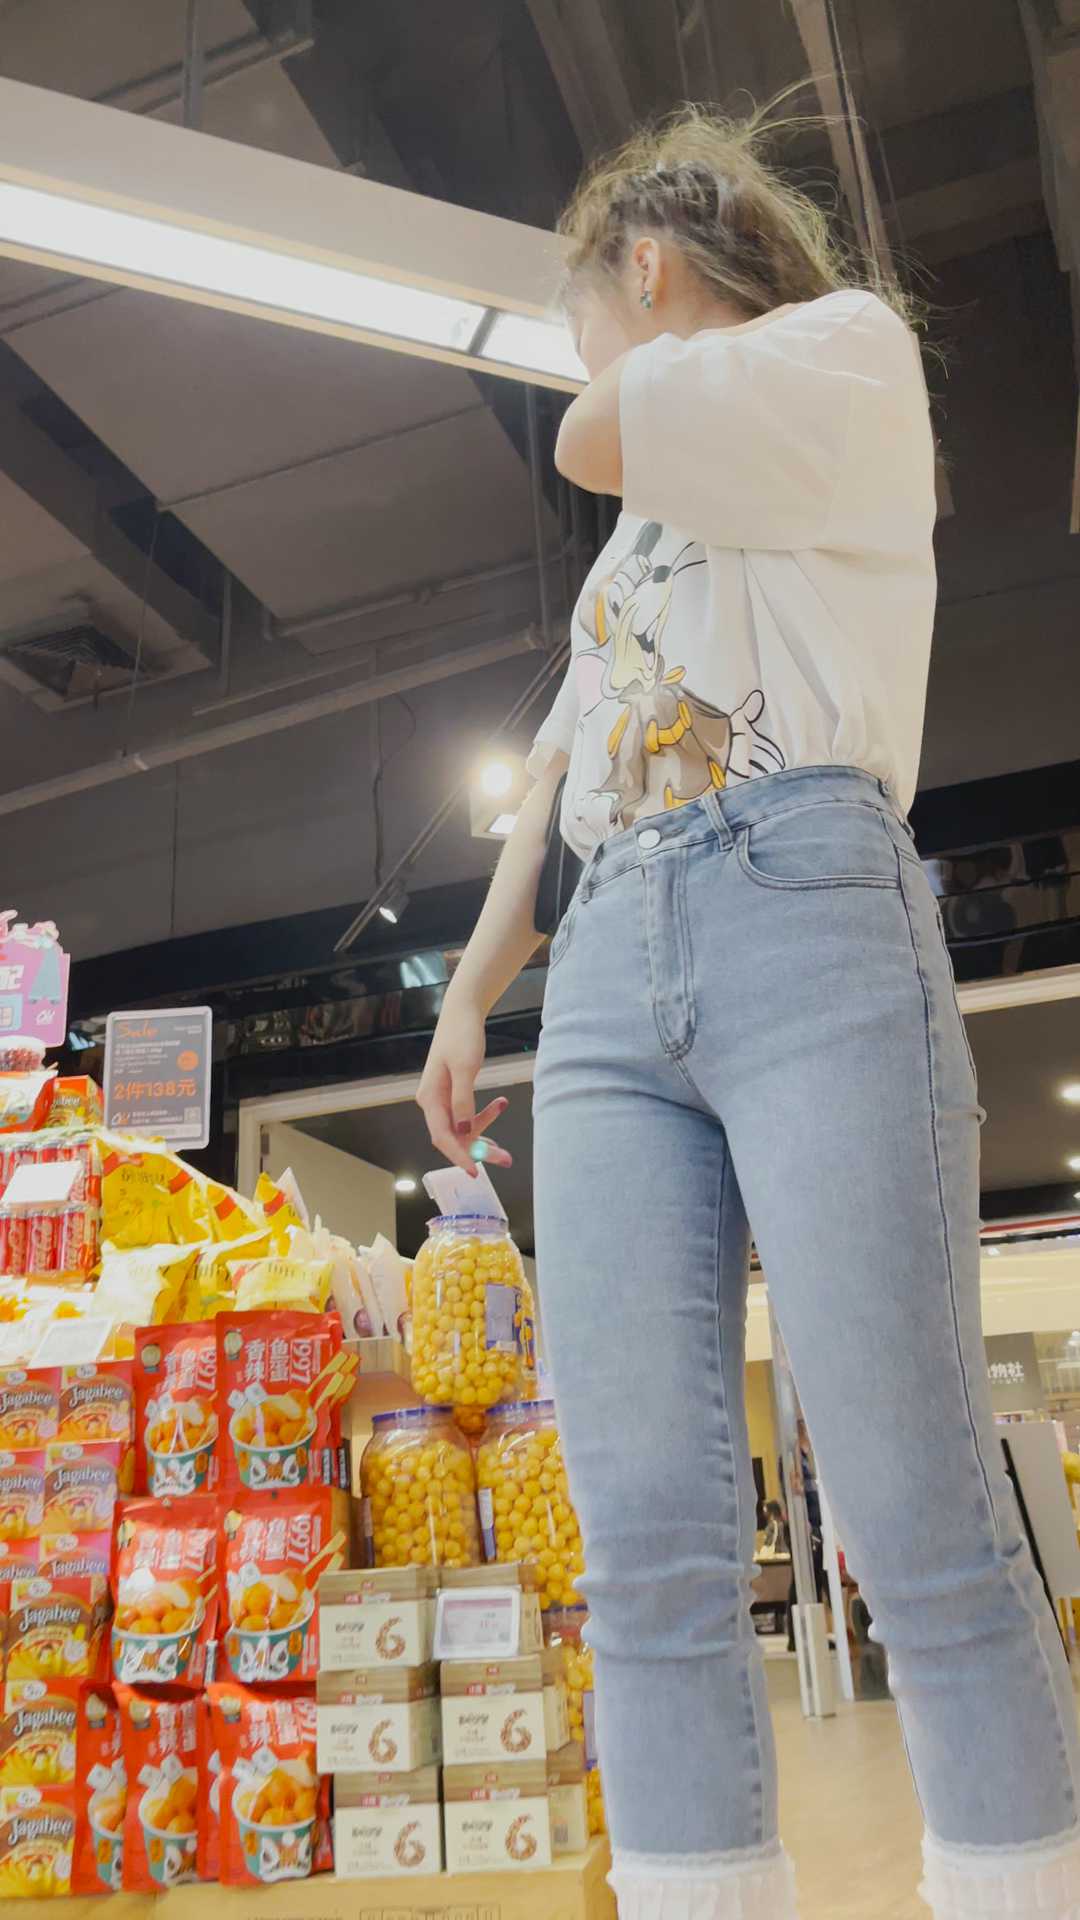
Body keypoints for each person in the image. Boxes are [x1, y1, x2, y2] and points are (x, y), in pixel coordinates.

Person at [418, 102, 1080, 1920]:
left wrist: (617, 357)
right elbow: (559, 779)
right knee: (642, 1538)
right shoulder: (631, 555)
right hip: (610, 979)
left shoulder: (843, 356)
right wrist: (472, 992)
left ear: (642, 266)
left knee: (916, 1499)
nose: (584, 358)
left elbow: (594, 426)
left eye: (588, 312)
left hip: (806, 906)